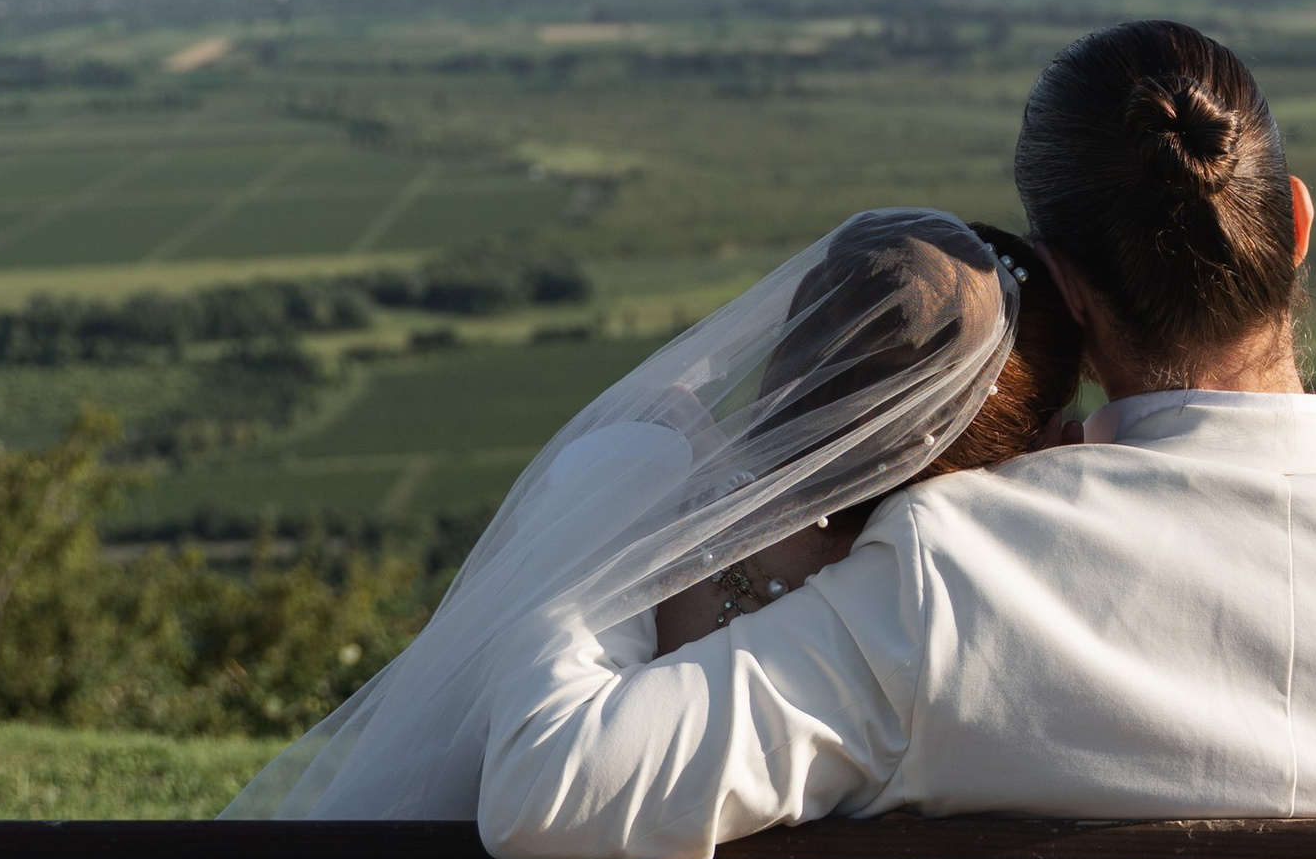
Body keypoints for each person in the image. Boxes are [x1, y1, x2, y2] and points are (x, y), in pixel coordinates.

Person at [319, 18, 1316, 859]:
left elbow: (556, 785)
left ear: (1064, 290)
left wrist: (628, 477)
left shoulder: (953, 563)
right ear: (1303, 225)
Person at [223, 208, 1080, 826]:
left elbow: (523, 775)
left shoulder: (645, 505)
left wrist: (613, 486)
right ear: (1020, 447)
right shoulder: (951, 630)